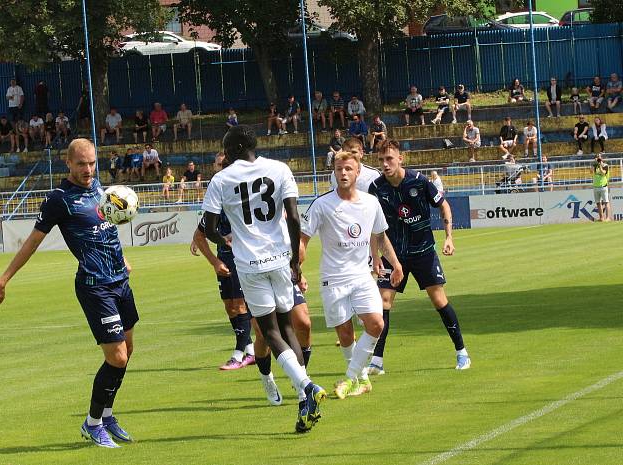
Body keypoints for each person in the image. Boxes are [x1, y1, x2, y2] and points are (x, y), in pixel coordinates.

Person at [0, 139, 137, 448]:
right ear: (68, 163)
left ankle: (107, 415)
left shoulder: (100, 190)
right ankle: (92, 423)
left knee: (128, 353)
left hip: (120, 281)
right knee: (117, 356)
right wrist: (3, 280)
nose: (88, 169)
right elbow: (32, 242)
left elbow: (107, 229)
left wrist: (121, 259)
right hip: (94, 286)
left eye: (92, 163)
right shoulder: (60, 199)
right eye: (82, 164)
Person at [202, 126, 326, 433]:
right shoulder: (279, 169)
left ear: (232, 151)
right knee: (289, 328)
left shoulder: (222, 179)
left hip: (250, 264)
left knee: (269, 332)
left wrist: (226, 238)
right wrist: (296, 260)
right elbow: (294, 218)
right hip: (281, 259)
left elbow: (208, 227)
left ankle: (307, 387)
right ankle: (302, 401)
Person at [192, 154, 313, 402]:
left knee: (302, 322)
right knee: (262, 331)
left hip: (278, 263)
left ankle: (302, 383)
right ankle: (268, 377)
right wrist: (216, 260)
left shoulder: (266, 191)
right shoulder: (223, 197)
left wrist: (297, 266)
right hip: (243, 266)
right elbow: (201, 233)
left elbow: (289, 225)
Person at [300, 150, 403, 399]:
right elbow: (303, 240)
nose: (343, 173)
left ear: (358, 172)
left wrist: (396, 264)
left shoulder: (370, 203)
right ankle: (362, 379)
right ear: (334, 173)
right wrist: (297, 271)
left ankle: (349, 378)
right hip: (332, 279)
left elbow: (380, 236)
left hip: (361, 276)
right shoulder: (322, 204)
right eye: (339, 169)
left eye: (348, 169)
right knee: (345, 333)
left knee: (377, 323)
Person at [368, 139, 471, 373]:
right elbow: (374, 225)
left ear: (400, 158)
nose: (385, 164)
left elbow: (443, 206)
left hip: (423, 251)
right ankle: (377, 361)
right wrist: (374, 257)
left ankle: (462, 352)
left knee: (438, 300)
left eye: (389, 159)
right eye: (381, 160)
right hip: (393, 255)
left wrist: (448, 237)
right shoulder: (376, 188)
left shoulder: (419, 181)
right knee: (383, 302)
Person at [592, 154, 611, 222]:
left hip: (603, 186)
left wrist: (600, 165)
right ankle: (601, 218)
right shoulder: (595, 166)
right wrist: (594, 164)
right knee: (598, 203)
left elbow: (603, 173)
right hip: (596, 186)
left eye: (599, 157)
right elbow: (591, 172)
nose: (598, 159)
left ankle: (608, 217)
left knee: (606, 202)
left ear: (602, 158)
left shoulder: (605, 166)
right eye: (597, 158)